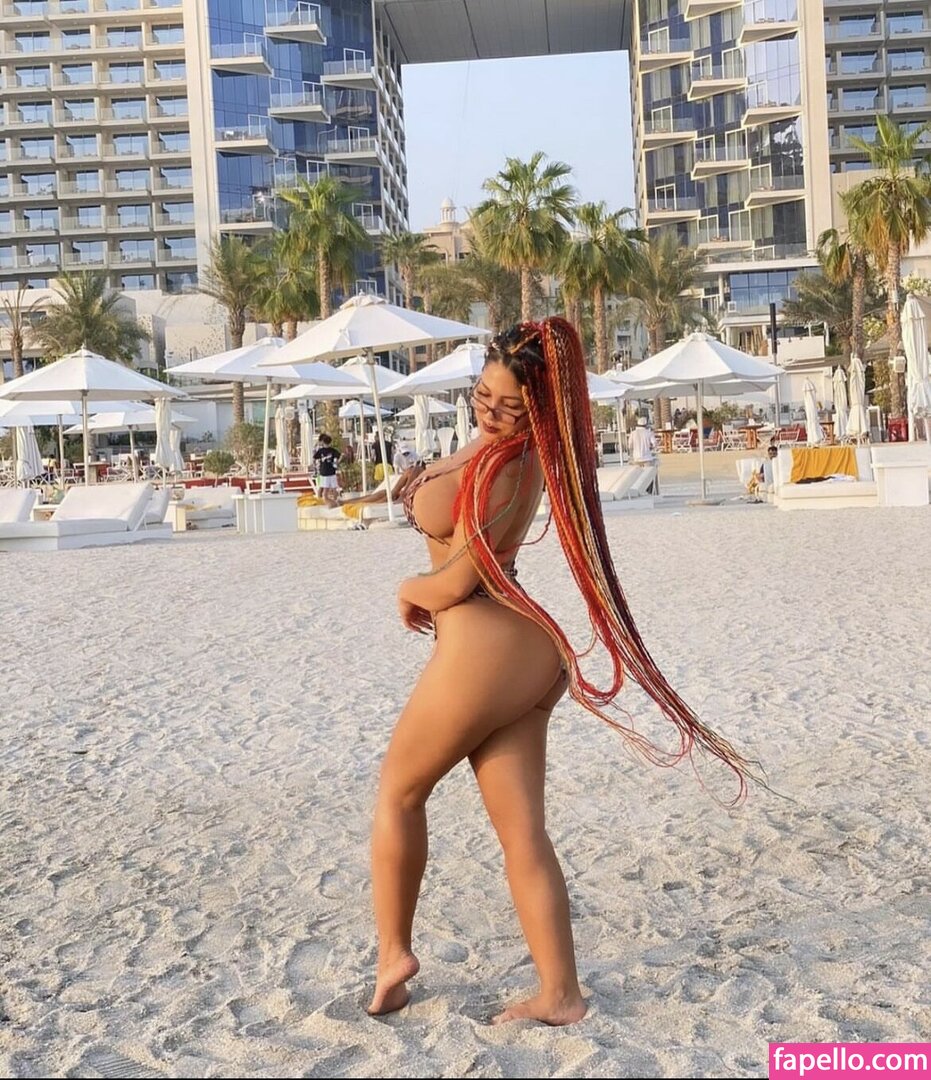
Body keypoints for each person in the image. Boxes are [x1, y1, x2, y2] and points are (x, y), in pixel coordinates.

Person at [368, 318, 761, 1026]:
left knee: (399, 793)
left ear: (538, 412)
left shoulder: (509, 465)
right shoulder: (498, 450)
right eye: (483, 397)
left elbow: (457, 580)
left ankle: (393, 954)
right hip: (520, 651)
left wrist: (407, 588)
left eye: (509, 407)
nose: (491, 414)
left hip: (484, 645)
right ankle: (560, 993)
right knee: (522, 833)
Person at [313, 434, 341, 506]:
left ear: (323, 442)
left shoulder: (320, 450)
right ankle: (335, 501)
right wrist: (336, 463)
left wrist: (317, 465)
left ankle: (321, 501)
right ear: (330, 442)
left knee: (324, 488)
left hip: (324, 472)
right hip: (332, 471)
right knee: (334, 488)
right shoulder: (333, 450)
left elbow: (315, 457)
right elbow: (338, 457)